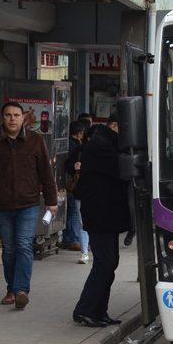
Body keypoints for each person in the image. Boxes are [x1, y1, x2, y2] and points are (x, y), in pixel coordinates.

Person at [0, 102, 58, 309]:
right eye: (8, 115)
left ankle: (21, 290)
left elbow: (46, 172)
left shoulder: (35, 141)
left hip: (29, 203)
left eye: (16, 115)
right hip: (2, 204)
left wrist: (52, 202)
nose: (12, 119)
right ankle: (11, 288)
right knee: (9, 249)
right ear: (2, 118)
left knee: (24, 245)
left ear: (23, 117)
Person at [73, 116, 130, 327]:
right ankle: (86, 310)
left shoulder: (106, 143)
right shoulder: (101, 145)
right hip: (100, 216)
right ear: (115, 127)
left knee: (109, 263)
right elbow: (122, 170)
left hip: (106, 216)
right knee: (105, 263)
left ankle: (99, 310)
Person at [64, 120, 90, 264]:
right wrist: (74, 166)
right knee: (82, 221)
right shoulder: (78, 151)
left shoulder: (103, 152)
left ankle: (90, 249)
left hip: (98, 193)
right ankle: (84, 251)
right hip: (81, 190)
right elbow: (67, 165)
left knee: (92, 221)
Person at [62, 120, 85, 252]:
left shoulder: (69, 144)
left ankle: (69, 238)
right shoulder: (76, 147)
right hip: (73, 184)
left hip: (69, 183)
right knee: (75, 213)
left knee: (71, 212)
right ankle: (74, 239)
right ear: (79, 133)